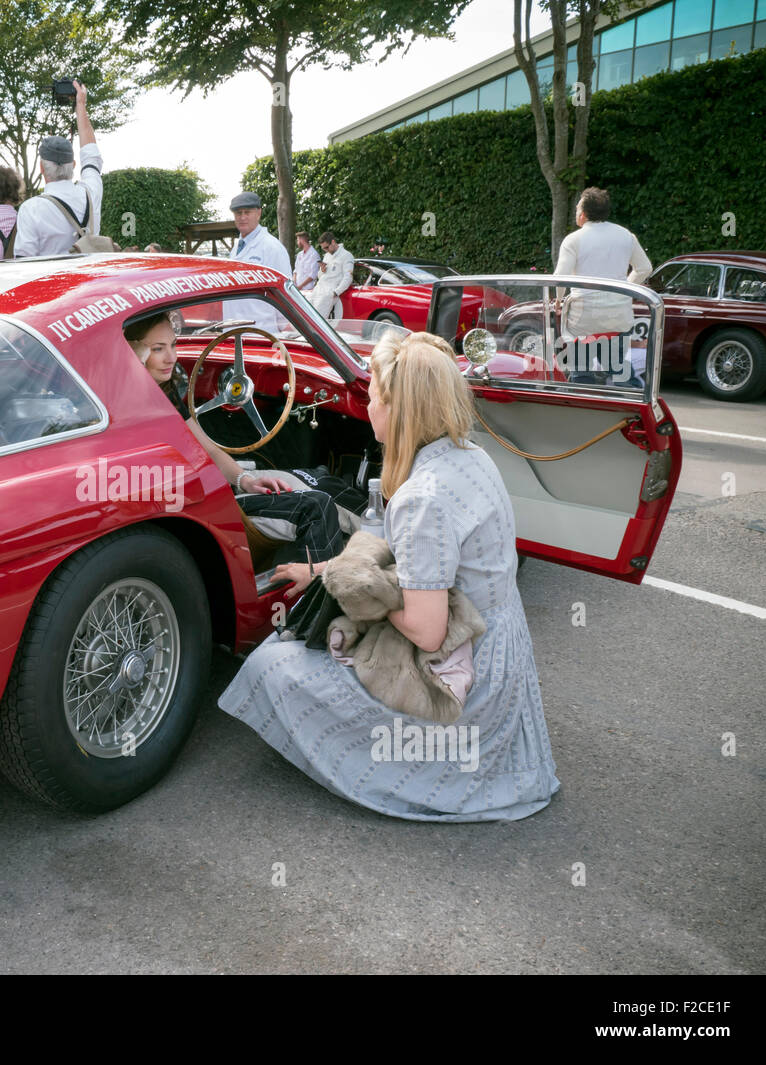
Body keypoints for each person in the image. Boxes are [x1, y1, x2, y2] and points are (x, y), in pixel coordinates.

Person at [218, 331, 560, 822]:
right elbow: (426, 568)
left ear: (401, 410)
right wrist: (325, 567)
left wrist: (345, 584)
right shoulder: (471, 456)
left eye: (375, 396)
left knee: (275, 665)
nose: (368, 405)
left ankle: (374, 764)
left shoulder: (424, 497)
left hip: (457, 671)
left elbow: (427, 629)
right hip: (497, 647)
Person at [124, 312, 343, 566]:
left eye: (173, 345)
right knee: (318, 506)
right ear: (132, 351)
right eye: (157, 349)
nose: (171, 358)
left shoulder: (165, 393)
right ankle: (318, 597)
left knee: (320, 480)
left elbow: (208, 450)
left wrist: (245, 480)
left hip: (211, 497)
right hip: (201, 514)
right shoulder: (126, 407)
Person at [554, 186, 652, 386]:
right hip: (617, 317)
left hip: (583, 319)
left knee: (581, 372)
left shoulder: (573, 240)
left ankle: (584, 410)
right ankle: (635, 402)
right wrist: (622, 290)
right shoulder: (626, 236)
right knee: (617, 366)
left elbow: (561, 276)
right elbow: (644, 268)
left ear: (583, 214)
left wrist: (557, 300)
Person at [14, 80, 103, 257]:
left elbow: (24, 264)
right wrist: (81, 106)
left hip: (56, 284)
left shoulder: (31, 209)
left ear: (42, 168)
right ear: (74, 165)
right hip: (89, 281)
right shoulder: (91, 192)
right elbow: (91, 155)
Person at [223, 192, 292, 333]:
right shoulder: (236, 247)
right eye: (238, 213)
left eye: (247, 212)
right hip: (234, 332)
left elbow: (286, 296)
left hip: (261, 333)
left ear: (259, 213)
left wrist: (284, 336)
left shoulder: (272, 248)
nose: (242, 217)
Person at [310, 231, 353, 319]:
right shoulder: (327, 256)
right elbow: (320, 277)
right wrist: (322, 270)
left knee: (317, 319)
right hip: (318, 289)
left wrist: (336, 292)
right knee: (305, 313)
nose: (326, 250)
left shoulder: (346, 255)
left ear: (333, 242)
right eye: (323, 249)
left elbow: (348, 277)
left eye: (326, 247)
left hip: (329, 293)